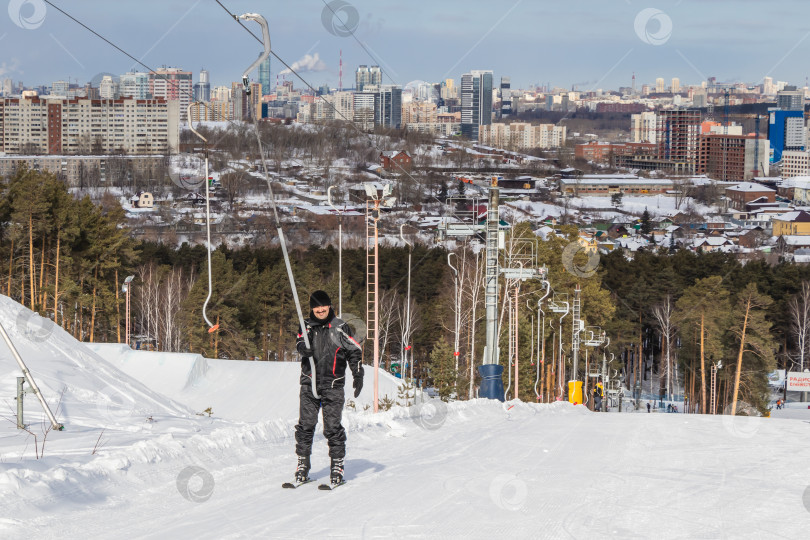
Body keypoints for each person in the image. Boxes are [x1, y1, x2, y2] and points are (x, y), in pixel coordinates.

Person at [294, 290, 363, 486]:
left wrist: (358, 374)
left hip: (333, 384)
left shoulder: (340, 327)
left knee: (332, 427)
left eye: (323, 305)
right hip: (310, 382)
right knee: (305, 426)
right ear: (312, 309)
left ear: (330, 305)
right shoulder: (306, 326)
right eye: (316, 306)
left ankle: (337, 465)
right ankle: (302, 465)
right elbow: (299, 340)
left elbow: (354, 351)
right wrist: (302, 348)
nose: (320, 309)